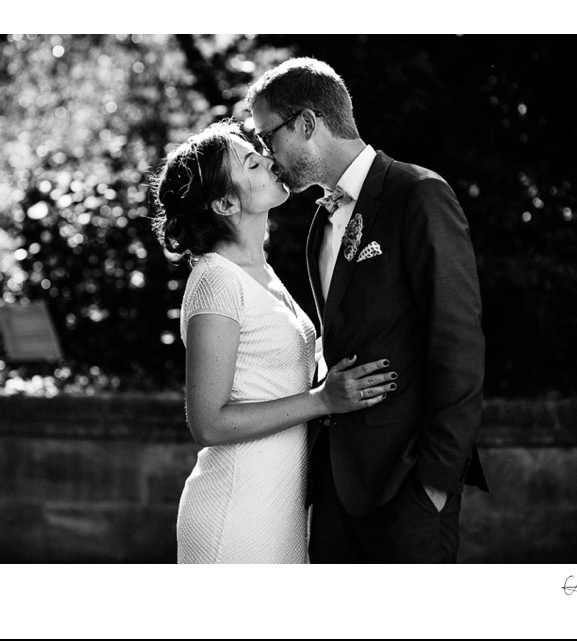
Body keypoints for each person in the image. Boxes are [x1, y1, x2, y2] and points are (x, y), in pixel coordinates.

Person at [248, 58, 489, 564]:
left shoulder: (418, 195)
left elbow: (458, 342)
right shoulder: (320, 224)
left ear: (307, 124)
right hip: (337, 490)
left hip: (408, 487)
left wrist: (436, 483)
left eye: (269, 138)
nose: (268, 158)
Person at [151, 120, 397, 564]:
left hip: (279, 511)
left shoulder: (260, 272)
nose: (269, 159)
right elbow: (208, 424)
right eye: (252, 162)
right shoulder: (215, 281)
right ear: (226, 202)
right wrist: (323, 401)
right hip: (235, 516)